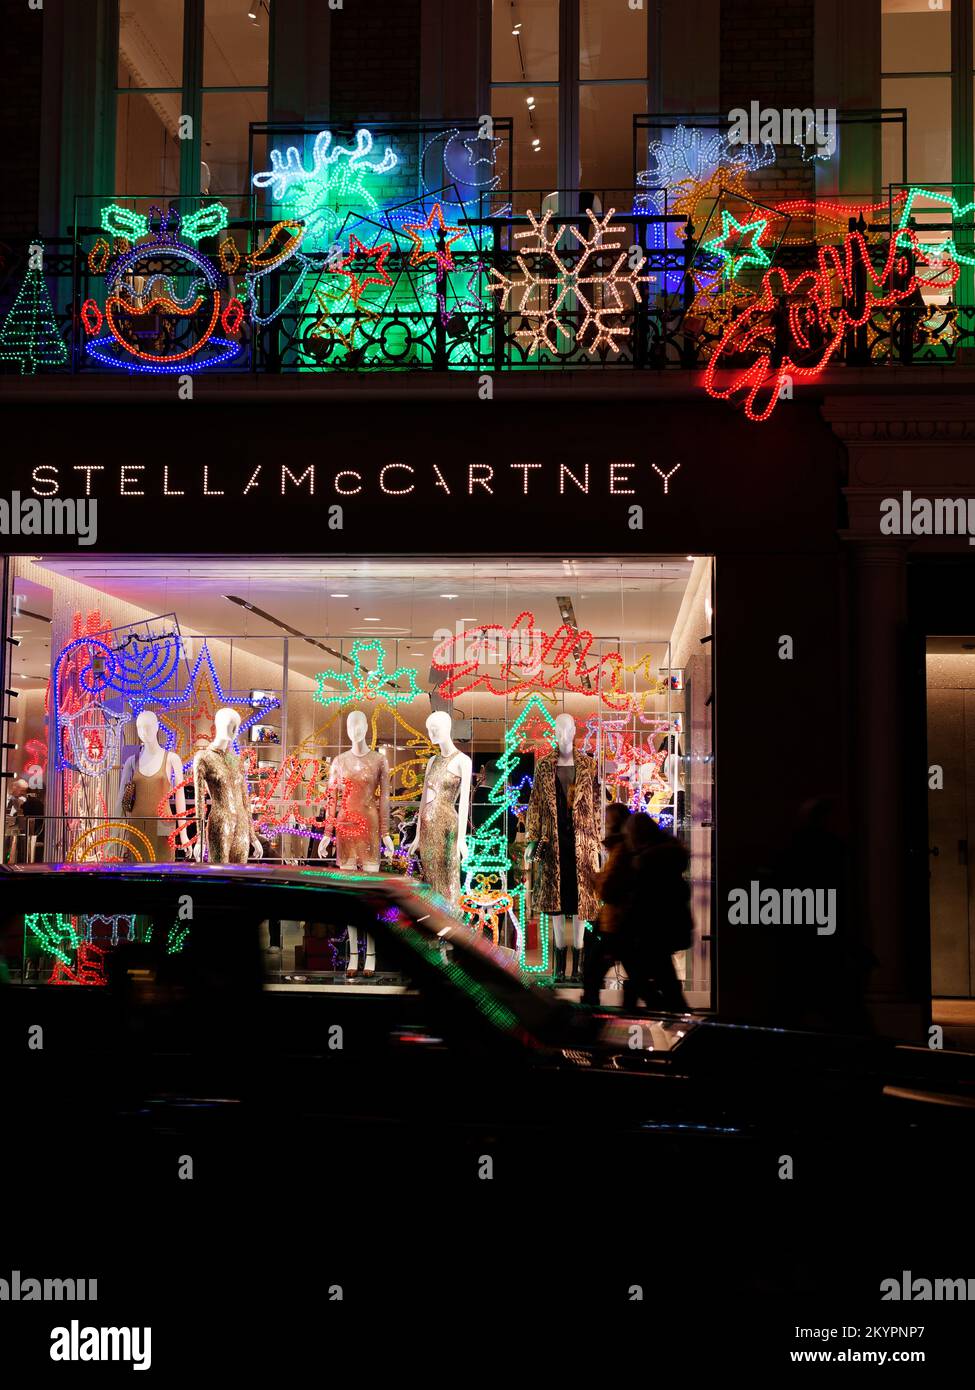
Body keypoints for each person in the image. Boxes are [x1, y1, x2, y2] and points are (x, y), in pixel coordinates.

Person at [616, 812, 691, 1014]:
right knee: (660, 979)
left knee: (649, 981)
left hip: (652, 933)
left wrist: (624, 929)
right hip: (664, 931)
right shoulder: (667, 858)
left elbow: (640, 902)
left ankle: (667, 1017)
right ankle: (671, 1015)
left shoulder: (647, 862)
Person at [580, 803, 631, 1006]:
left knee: (592, 969)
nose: (605, 822)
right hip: (617, 922)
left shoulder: (620, 851)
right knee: (637, 971)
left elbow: (611, 887)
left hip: (617, 923)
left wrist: (596, 880)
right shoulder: (620, 849)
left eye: (608, 819)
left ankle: (590, 1010)